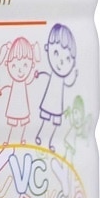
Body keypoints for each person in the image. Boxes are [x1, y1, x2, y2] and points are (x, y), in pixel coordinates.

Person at [34, 23, 78, 152]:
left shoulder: (62, 78)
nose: (61, 62)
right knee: (45, 119)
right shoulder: (53, 75)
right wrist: (38, 74)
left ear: (73, 62)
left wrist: (74, 76)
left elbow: (68, 83)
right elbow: (46, 74)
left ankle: (49, 142)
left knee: (54, 123)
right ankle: (39, 136)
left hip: (57, 104)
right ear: (47, 48)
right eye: (56, 53)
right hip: (49, 100)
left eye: (67, 58)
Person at [0, 37, 39, 145]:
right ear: (7, 64)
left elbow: (29, 81)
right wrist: (1, 90)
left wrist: (35, 76)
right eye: (14, 65)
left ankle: (21, 139)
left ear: (32, 65)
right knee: (12, 123)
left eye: (25, 65)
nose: (20, 70)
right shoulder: (14, 83)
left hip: (23, 104)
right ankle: (9, 140)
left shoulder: (24, 82)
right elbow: (8, 87)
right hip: (14, 103)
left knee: (23, 123)